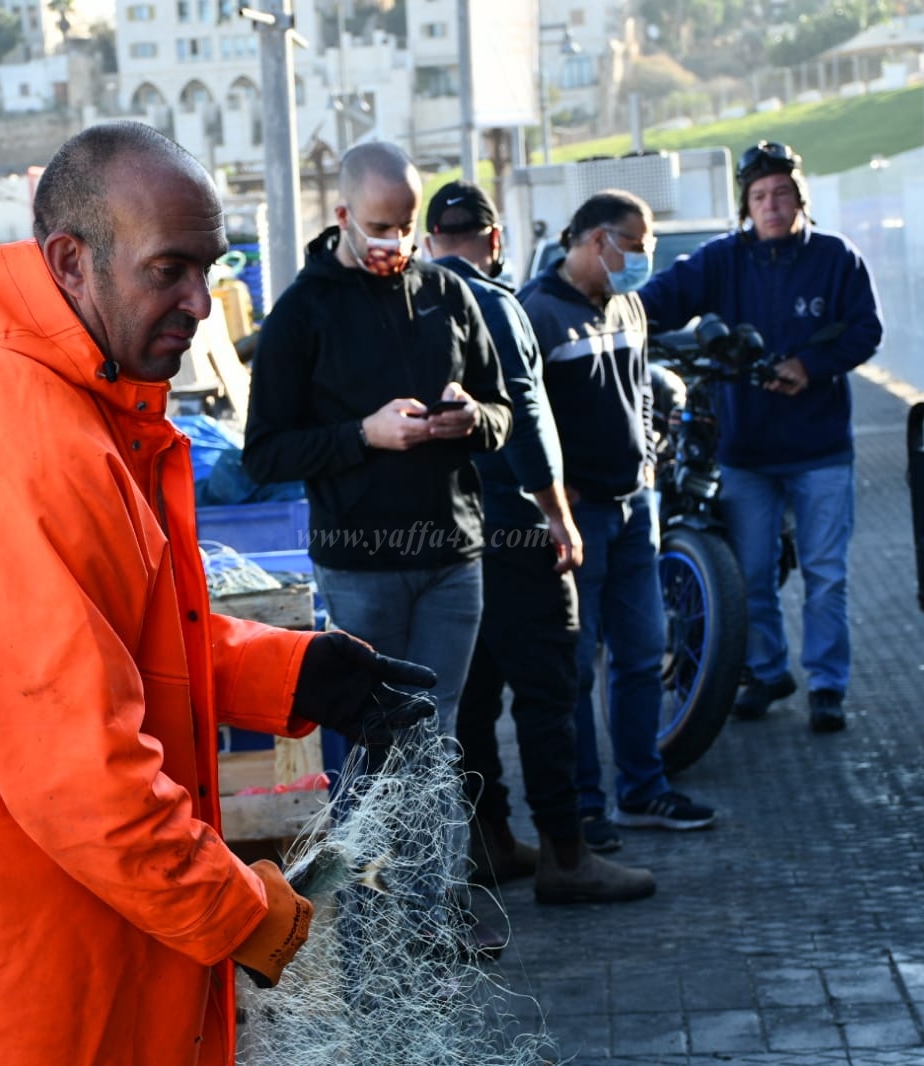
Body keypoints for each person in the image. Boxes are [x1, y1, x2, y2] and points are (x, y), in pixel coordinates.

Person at [0, 121, 437, 1066]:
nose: (202, 303)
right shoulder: (21, 441)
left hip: (13, 959)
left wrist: (291, 673)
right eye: (169, 270)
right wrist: (252, 918)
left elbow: (105, 638)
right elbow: (83, 778)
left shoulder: (49, 400)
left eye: (212, 266)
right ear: (71, 262)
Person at [242, 141, 512, 952]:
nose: (393, 242)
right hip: (359, 565)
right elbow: (265, 453)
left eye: (405, 227)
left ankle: (434, 920)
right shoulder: (303, 311)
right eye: (377, 227)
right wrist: (363, 434)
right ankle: (361, 931)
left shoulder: (449, 294)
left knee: (440, 738)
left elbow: (503, 416)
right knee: (375, 745)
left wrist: (471, 419)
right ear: (341, 219)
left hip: (451, 555)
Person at [424, 180, 655, 905]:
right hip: (516, 530)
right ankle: (565, 853)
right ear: (494, 241)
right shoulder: (499, 303)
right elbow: (527, 417)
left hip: (443, 539)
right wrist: (557, 513)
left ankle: (490, 840)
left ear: (430, 241)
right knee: (549, 696)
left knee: (471, 702)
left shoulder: (404, 305)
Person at [637, 141, 883, 733]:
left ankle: (827, 685)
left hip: (821, 450)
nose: (771, 205)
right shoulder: (720, 260)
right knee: (751, 576)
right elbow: (660, 300)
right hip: (745, 451)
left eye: (781, 193)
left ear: (800, 197)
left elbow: (866, 330)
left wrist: (810, 366)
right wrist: (605, 313)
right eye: (759, 196)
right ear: (745, 205)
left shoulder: (835, 258)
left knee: (826, 575)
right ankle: (767, 671)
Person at [518, 189, 718, 855]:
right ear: (595, 241)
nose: (643, 258)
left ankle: (641, 787)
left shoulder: (627, 303)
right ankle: (581, 807)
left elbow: (638, 385)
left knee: (640, 654)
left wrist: (650, 466)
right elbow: (523, 415)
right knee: (575, 666)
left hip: (637, 509)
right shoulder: (537, 313)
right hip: (578, 520)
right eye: (634, 245)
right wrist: (554, 497)